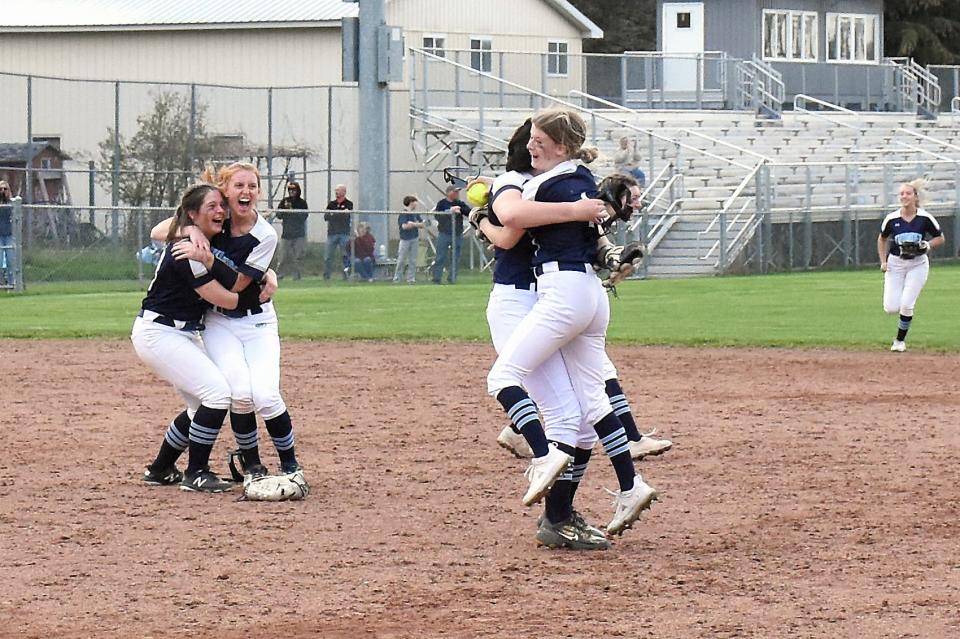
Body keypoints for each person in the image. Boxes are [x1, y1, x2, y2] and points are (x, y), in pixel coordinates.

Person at [487, 109, 657, 539]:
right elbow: (510, 223)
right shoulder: (525, 180)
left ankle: (558, 498)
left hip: (558, 292)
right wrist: (592, 209)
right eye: (529, 141)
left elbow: (526, 221)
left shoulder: (550, 180)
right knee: (581, 407)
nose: (531, 147)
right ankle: (607, 493)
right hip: (541, 296)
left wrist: (605, 238)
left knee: (565, 409)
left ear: (557, 147)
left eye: (539, 141)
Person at [152, 162, 304, 487]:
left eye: (252, 186)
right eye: (238, 186)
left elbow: (236, 286)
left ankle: (291, 465)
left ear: (259, 192)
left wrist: (212, 260)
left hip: (257, 321)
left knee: (265, 395)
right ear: (225, 191)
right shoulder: (216, 218)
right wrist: (190, 228)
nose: (245, 192)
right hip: (218, 321)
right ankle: (253, 467)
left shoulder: (264, 234)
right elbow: (158, 231)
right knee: (237, 392)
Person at [134, 183, 241, 493]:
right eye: (212, 206)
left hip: (179, 332)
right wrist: (255, 292)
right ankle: (196, 472)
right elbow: (226, 298)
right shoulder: (186, 252)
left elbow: (165, 227)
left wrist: (190, 227)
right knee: (217, 394)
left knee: (201, 407)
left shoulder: (206, 238)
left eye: (222, 205)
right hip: (159, 333)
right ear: (193, 214)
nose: (220, 211)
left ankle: (161, 468)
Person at [877, 178, 944, 352]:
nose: (904, 196)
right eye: (901, 194)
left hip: (918, 264)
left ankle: (899, 341)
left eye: (908, 193)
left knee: (907, 304)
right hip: (895, 264)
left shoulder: (924, 218)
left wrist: (927, 245)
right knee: (891, 308)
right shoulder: (892, 219)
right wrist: (883, 261)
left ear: (915, 197)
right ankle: (901, 323)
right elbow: (882, 239)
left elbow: (940, 237)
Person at [432, 185, 470, 284]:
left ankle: (452, 278)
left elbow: (469, 212)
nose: (457, 194)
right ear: (448, 192)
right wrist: (449, 211)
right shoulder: (442, 203)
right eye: (454, 192)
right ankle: (436, 278)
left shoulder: (459, 203)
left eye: (457, 192)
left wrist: (460, 209)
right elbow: (437, 215)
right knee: (440, 256)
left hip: (457, 234)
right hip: (444, 234)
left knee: (455, 257)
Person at [276, 181, 308, 280]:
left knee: (298, 257)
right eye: (290, 189)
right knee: (283, 257)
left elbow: (304, 217)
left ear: (298, 190)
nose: (291, 191)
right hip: (286, 234)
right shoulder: (284, 201)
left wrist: (292, 209)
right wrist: (284, 210)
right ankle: (279, 275)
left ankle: (297, 276)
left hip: (299, 234)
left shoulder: (302, 203)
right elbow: (279, 215)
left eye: (294, 189)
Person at [324, 184, 353, 280]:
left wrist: (334, 214)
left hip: (344, 233)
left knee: (345, 255)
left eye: (339, 190)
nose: (336, 192)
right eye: (335, 190)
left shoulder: (349, 203)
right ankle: (326, 276)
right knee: (328, 256)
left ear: (344, 192)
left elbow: (346, 217)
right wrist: (339, 213)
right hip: (332, 233)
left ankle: (346, 275)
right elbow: (326, 217)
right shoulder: (331, 204)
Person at [394, 195, 424, 284]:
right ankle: (397, 278)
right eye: (415, 202)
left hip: (414, 238)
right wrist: (413, 224)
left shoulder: (415, 214)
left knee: (413, 260)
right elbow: (404, 226)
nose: (416, 204)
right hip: (405, 239)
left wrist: (413, 224)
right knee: (401, 259)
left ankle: (411, 279)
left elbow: (422, 225)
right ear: (411, 203)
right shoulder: (404, 214)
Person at [0, 181, 13, 286]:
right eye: (0, 189)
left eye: (5, 189)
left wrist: (7, 199)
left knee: (10, 261)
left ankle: (11, 284)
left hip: (9, 235)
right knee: (0, 262)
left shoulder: (12, 203)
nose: (2, 191)